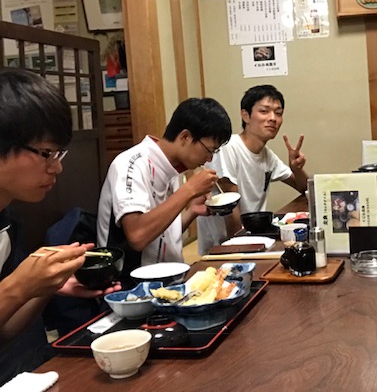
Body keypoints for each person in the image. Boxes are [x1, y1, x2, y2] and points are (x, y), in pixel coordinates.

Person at [0, 68, 119, 384]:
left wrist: (45, 285)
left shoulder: (8, 220)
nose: (57, 167)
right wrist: (19, 285)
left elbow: (5, 331)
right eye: (46, 153)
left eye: (58, 153)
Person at [97, 97, 232, 283]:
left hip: (171, 281)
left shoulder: (172, 168)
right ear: (185, 137)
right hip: (131, 289)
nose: (209, 159)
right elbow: (137, 236)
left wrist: (192, 211)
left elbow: (162, 236)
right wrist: (189, 190)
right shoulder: (131, 164)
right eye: (209, 150)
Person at [197, 85, 307, 254]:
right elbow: (231, 205)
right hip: (224, 246)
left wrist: (296, 169)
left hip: (255, 238)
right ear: (245, 115)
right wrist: (241, 250)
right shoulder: (228, 147)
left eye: (278, 113)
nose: (273, 118)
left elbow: (303, 188)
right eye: (264, 111)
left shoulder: (267, 155)